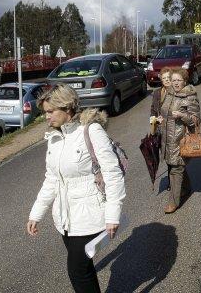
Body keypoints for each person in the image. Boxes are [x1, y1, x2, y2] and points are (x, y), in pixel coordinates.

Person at [26, 84, 126, 293]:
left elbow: (112, 173)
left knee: (77, 271)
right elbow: (52, 179)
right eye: (45, 112)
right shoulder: (54, 137)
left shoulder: (90, 131)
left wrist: (113, 215)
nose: (47, 117)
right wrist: (36, 213)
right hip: (64, 218)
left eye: (51, 112)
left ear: (68, 108)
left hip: (89, 214)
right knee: (85, 267)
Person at [158, 68, 200, 214]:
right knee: (175, 164)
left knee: (175, 168)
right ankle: (187, 188)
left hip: (180, 139)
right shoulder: (169, 93)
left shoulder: (189, 96)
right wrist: (160, 119)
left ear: (185, 81)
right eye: (173, 80)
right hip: (167, 137)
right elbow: (164, 111)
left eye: (179, 80)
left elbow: (196, 120)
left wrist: (182, 115)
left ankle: (173, 202)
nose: (176, 83)